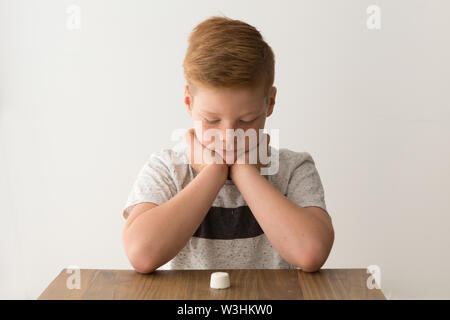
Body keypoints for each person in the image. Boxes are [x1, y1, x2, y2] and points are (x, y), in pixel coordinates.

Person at [121, 16, 334, 273]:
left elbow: (310, 253)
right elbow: (142, 255)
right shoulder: (168, 168)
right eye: (212, 120)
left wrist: (243, 170)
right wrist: (214, 172)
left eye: (246, 120)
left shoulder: (293, 168)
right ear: (189, 102)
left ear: (270, 102)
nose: (228, 136)